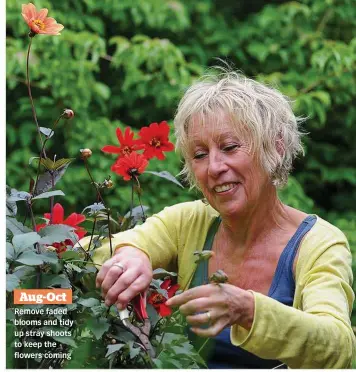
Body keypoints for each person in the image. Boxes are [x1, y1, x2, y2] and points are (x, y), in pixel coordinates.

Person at [84, 69, 355, 368]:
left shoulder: (318, 243)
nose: (214, 167)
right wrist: (132, 254)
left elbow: (338, 345)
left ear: (276, 148)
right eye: (199, 154)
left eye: (229, 147)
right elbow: (88, 252)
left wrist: (249, 310)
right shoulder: (189, 221)